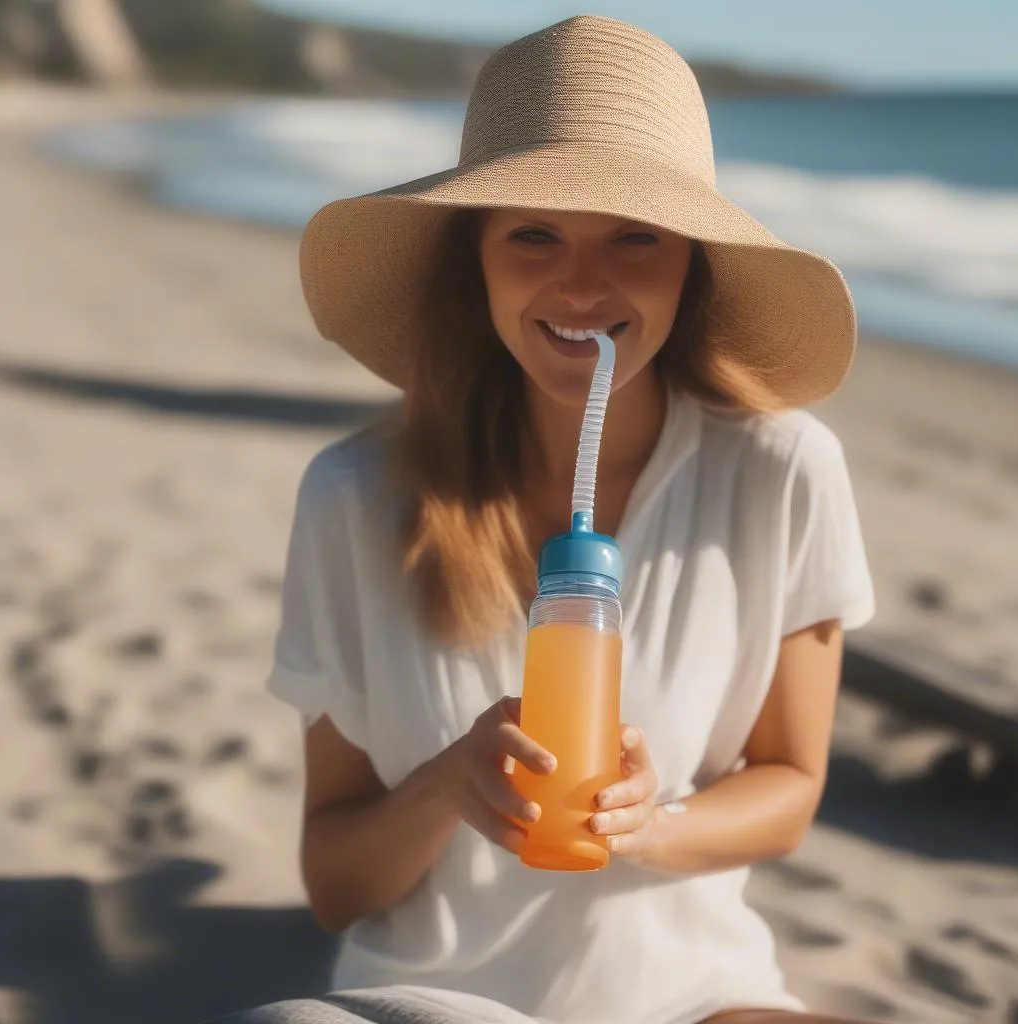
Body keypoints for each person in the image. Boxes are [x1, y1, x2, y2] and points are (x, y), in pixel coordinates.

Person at [216, 14, 877, 1024]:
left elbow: (787, 785)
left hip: (695, 999)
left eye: (634, 237)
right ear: (472, 260)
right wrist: (446, 786)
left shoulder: (782, 472)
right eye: (533, 233)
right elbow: (338, 884)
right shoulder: (352, 496)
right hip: (427, 1000)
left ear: (689, 264)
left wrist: (648, 823)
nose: (581, 284)